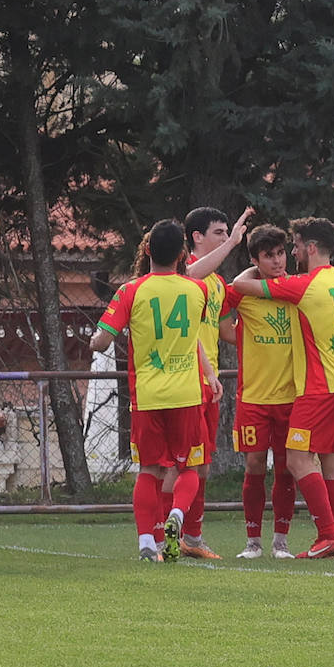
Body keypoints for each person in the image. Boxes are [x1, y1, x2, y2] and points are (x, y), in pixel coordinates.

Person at [231, 217, 334, 559]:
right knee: (331, 463)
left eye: (290, 248)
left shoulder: (302, 285)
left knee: (296, 461)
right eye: (273, 253)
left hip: (317, 387)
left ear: (309, 248)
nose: (286, 256)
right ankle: (330, 536)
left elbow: (239, 284)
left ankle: (327, 535)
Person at [89, 219, 221, 563]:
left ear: (147, 250)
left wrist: (96, 339)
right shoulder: (199, 291)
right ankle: (178, 513)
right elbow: (192, 337)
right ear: (182, 254)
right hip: (187, 395)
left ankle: (148, 541)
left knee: (149, 470)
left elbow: (102, 341)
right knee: (190, 467)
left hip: (147, 397)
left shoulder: (131, 291)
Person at [173, 205, 251, 559]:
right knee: (178, 463)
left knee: (202, 464)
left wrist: (275, 336)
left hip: (210, 381)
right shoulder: (181, 274)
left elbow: (225, 331)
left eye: (227, 233)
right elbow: (189, 272)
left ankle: (191, 536)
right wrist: (233, 243)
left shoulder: (217, 283)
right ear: (197, 237)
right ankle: (160, 535)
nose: (226, 238)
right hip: (182, 380)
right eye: (218, 233)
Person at [221, 225, 298, 559]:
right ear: (255, 260)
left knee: (286, 468)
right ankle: (253, 541)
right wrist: (247, 342)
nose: (278, 261)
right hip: (253, 397)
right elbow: (222, 311)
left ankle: (281, 542)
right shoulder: (246, 292)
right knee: (254, 465)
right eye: (268, 256)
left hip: (291, 397)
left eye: (281, 253)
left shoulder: (297, 288)